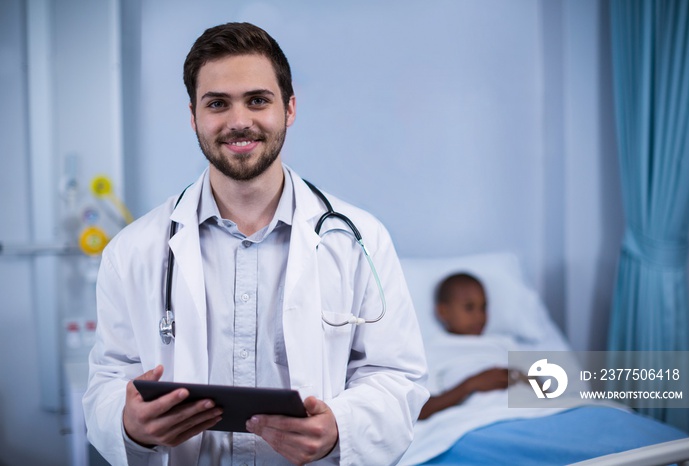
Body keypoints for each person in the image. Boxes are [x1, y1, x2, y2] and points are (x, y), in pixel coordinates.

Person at [83, 22, 429, 466]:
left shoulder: (360, 240)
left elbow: (395, 376)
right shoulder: (132, 251)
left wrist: (340, 428)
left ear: (289, 109)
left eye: (258, 100)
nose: (239, 121)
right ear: (194, 117)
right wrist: (129, 425)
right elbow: (108, 380)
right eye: (217, 104)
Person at [418, 273, 523, 420]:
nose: (479, 317)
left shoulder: (504, 343)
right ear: (443, 311)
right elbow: (420, 410)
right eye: (469, 307)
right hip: (484, 418)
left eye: (483, 307)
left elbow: (544, 391)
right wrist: (471, 384)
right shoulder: (430, 350)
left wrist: (521, 376)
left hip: (533, 411)